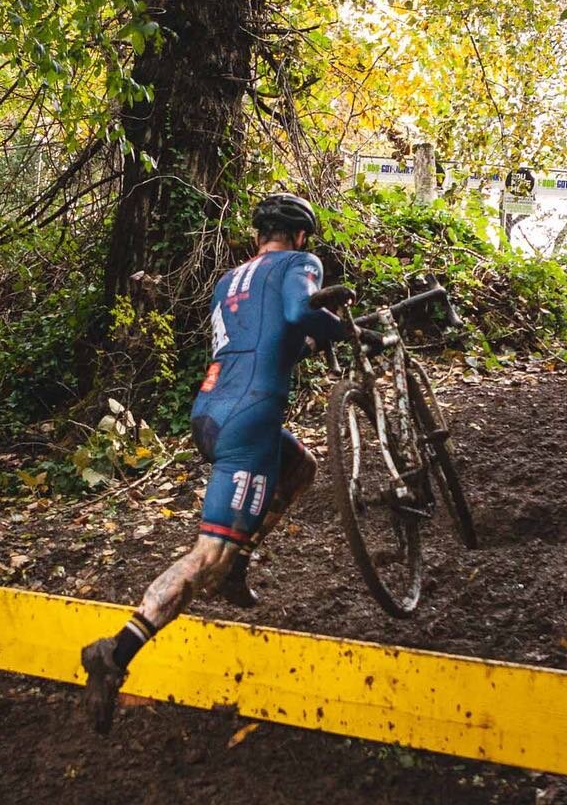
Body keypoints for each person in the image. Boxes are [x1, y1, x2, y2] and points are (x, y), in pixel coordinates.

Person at [79, 192, 352, 734]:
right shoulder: (302, 263)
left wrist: (306, 344)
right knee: (209, 556)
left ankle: (239, 565)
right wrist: (343, 330)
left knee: (300, 469)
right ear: (300, 238)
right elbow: (302, 311)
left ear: (258, 237)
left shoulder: (230, 280)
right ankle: (116, 652)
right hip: (249, 423)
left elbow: (265, 339)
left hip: (210, 411)